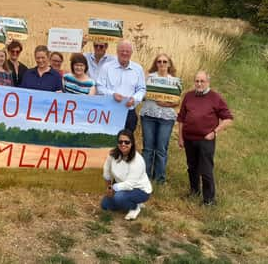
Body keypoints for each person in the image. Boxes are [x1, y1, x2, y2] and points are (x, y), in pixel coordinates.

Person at [177, 71, 233, 206]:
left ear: (208, 82)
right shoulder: (188, 96)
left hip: (206, 139)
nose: (199, 84)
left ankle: (209, 200)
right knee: (192, 167)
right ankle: (194, 191)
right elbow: (181, 118)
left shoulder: (215, 97)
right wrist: (180, 137)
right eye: (197, 81)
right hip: (189, 138)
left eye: (202, 81)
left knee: (206, 169)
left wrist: (215, 132)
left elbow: (228, 119)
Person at [140, 53, 179, 183]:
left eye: (164, 61)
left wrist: (166, 103)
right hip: (149, 115)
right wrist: (146, 95)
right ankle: (145, 177)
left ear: (169, 64)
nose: (162, 64)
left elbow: (177, 101)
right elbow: (142, 95)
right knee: (148, 148)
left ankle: (159, 179)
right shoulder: (148, 79)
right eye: (159, 61)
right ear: (155, 64)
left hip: (166, 118)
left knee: (161, 148)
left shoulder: (174, 81)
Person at [101, 129, 153, 220]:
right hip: (121, 187)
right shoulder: (112, 155)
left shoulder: (138, 160)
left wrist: (113, 188)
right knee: (105, 205)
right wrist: (109, 187)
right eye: (120, 142)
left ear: (132, 143)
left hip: (140, 190)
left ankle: (134, 207)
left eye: (126, 142)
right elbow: (106, 171)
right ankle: (128, 201)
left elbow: (129, 184)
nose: (123, 144)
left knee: (119, 197)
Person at [97, 40, 146, 131]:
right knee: (107, 140)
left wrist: (135, 99)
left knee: (127, 141)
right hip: (109, 110)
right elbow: (100, 87)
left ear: (131, 53)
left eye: (127, 51)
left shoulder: (138, 69)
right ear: (117, 52)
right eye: (122, 51)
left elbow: (142, 89)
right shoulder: (106, 67)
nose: (124, 53)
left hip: (129, 111)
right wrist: (112, 95)